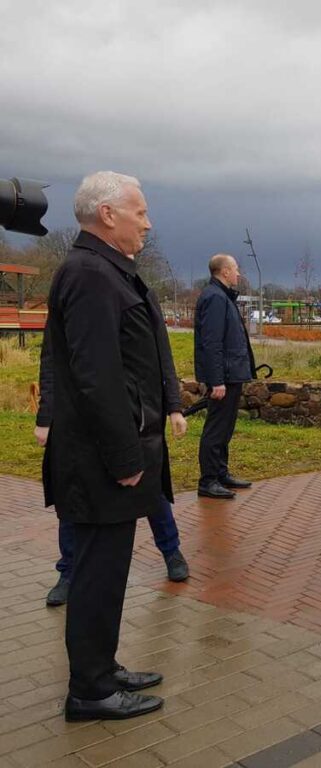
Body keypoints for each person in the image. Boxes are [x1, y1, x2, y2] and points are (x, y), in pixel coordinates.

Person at [41, 171, 171, 720]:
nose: (148, 223)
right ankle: (90, 691)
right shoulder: (91, 274)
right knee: (96, 573)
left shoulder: (105, 270)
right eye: (140, 211)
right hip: (100, 461)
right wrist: (123, 456)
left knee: (108, 570)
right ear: (108, 214)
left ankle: (101, 667)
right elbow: (96, 377)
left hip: (107, 457)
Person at [36, 283, 191, 606]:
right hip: (80, 416)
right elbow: (52, 359)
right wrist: (46, 416)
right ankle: (68, 571)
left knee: (150, 487)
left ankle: (171, 550)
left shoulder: (139, 293)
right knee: (74, 494)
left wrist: (174, 407)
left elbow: (161, 353)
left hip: (134, 413)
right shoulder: (73, 291)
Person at [193, 253, 256, 499]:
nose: (238, 273)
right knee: (216, 428)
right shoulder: (215, 298)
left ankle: (220, 473)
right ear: (225, 271)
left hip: (232, 374)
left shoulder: (222, 297)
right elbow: (212, 342)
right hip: (224, 377)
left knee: (225, 427)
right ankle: (208, 480)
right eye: (236, 269)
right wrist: (216, 380)